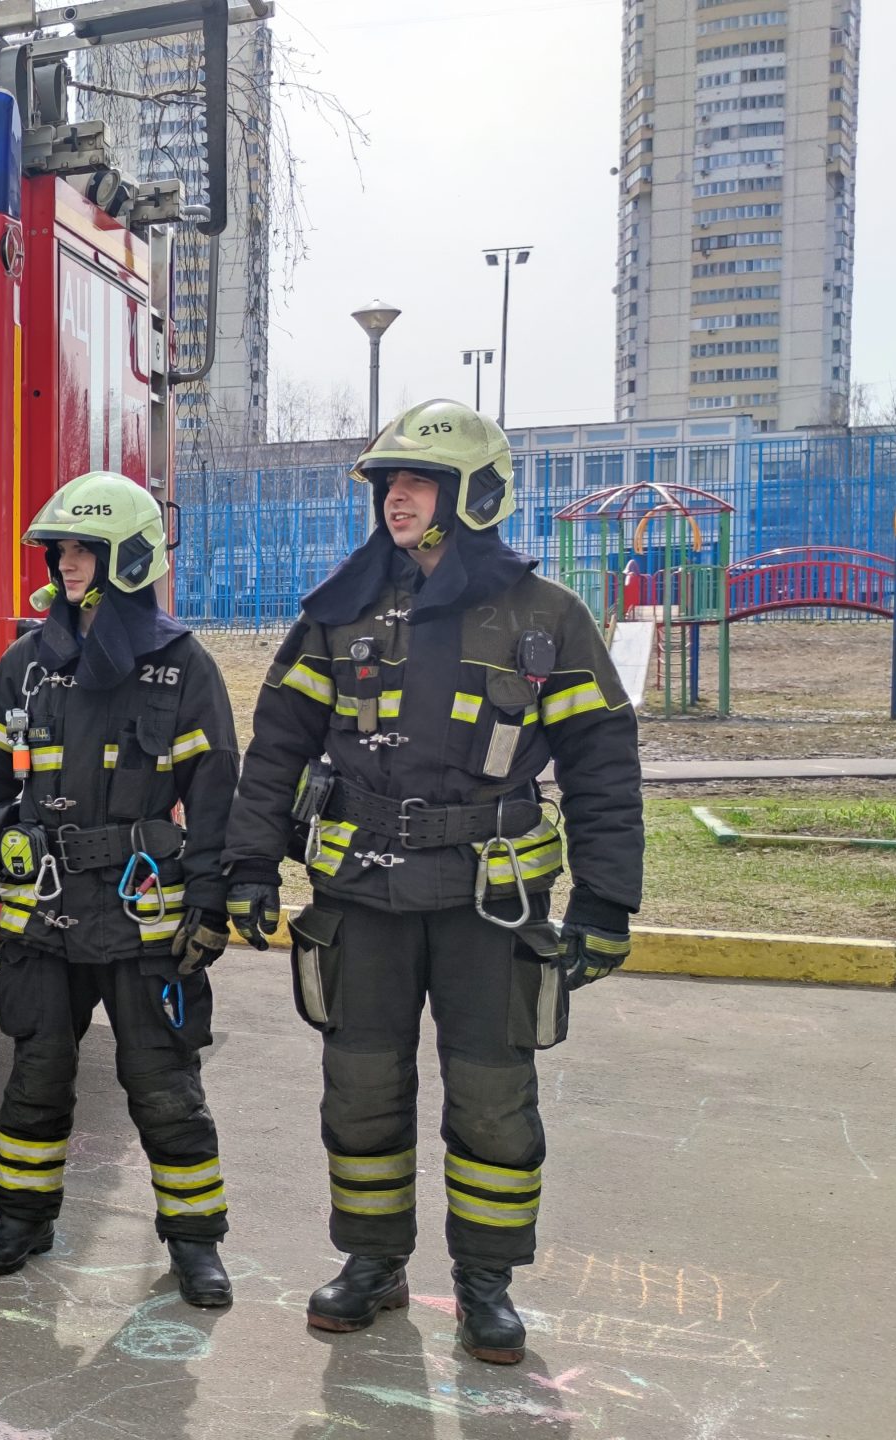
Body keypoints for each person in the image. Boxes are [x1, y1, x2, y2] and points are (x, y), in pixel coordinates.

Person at [224, 399, 644, 1365]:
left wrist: (606, 902)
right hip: (361, 899)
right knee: (361, 1087)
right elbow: (277, 746)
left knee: (494, 1094)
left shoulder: (546, 616)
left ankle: (485, 1283)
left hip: (489, 906)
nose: (397, 499)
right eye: (388, 484)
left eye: (419, 482)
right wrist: (247, 865)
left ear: (475, 495)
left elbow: (601, 768)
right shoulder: (338, 612)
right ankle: (372, 1263)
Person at [0, 473, 239, 1304]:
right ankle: (23, 1220)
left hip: (142, 916)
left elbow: (217, 796)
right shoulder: (30, 664)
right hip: (45, 915)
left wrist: (213, 902)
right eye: (59, 550)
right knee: (36, 1074)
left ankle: (196, 1243)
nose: (65, 564)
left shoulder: (182, 666)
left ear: (127, 558)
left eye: (82, 550)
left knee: (165, 1087)